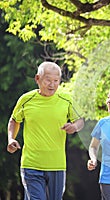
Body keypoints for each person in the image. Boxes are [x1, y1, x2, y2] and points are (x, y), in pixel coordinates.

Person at [7, 61, 84, 200]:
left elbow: (80, 120)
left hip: (57, 164)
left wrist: (74, 127)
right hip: (31, 164)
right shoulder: (26, 100)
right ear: (38, 79)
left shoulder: (66, 99)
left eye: (56, 81)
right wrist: (11, 138)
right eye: (48, 80)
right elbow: (14, 120)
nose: (52, 84)